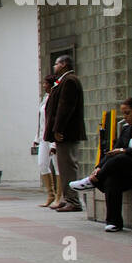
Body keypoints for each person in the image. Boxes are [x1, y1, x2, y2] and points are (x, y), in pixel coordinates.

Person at [69, 98, 132, 231]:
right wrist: (97, 168)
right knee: (112, 179)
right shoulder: (127, 130)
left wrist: (124, 150)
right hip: (125, 171)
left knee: (121, 157)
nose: (125, 117)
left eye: (128, 113)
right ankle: (114, 222)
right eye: (123, 114)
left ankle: (91, 181)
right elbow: (111, 153)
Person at [45, 55, 85, 212]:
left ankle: (73, 200)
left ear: (63, 65)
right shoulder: (63, 80)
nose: (54, 67)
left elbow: (65, 107)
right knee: (63, 166)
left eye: (56, 64)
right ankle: (67, 197)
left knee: (68, 166)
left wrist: (58, 129)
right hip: (64, 132)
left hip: (67, 132)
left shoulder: (69, 81)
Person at [33, 75, 58, 207]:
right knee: (42, 164)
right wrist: (36, 138)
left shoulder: (55, 98)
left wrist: (54, 143)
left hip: (53, 137)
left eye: (45, 83)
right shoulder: (45, 99)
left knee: (57, 166)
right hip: (43, 137)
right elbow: (41, 121)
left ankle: (59, 196)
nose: (43, 86)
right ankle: (50, 194)